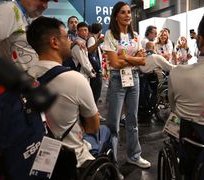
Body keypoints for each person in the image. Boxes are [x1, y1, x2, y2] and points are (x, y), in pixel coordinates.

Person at [27, 16, 100, 168]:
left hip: (36, 160)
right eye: (66, 37)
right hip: (73, 160)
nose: (70, 41)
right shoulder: (74, 79)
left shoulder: (24, 78)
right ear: (54, 42)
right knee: (104, 134)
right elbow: (94, 127)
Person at [102, 1, 151, 177]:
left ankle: (134, 155)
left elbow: (143, 60)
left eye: (129, 12)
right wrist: (134, 59)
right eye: (123, 12)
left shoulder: (135, 35)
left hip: (134, 78)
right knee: (113, 124)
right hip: (117, 79)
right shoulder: (110, 35)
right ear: (116, 16)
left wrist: (128, 58)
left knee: (133, 121)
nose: (127, 15)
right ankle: (112, 162)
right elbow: (114, 63)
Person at [0, 0, 54, 98]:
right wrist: (4, 73)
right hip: (13, 90)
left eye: (47, 1)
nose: (45, 5)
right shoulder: (10, 10)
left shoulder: (22, 15)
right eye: (42, 0)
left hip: (24, 87)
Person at [87, 22, 105, 104]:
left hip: (96, 69)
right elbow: (90, 51)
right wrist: (98, 42)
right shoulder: (92, 39)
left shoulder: (94, 39)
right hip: (95, 70)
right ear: (100, 31)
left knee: (96, 93)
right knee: (95, 93)